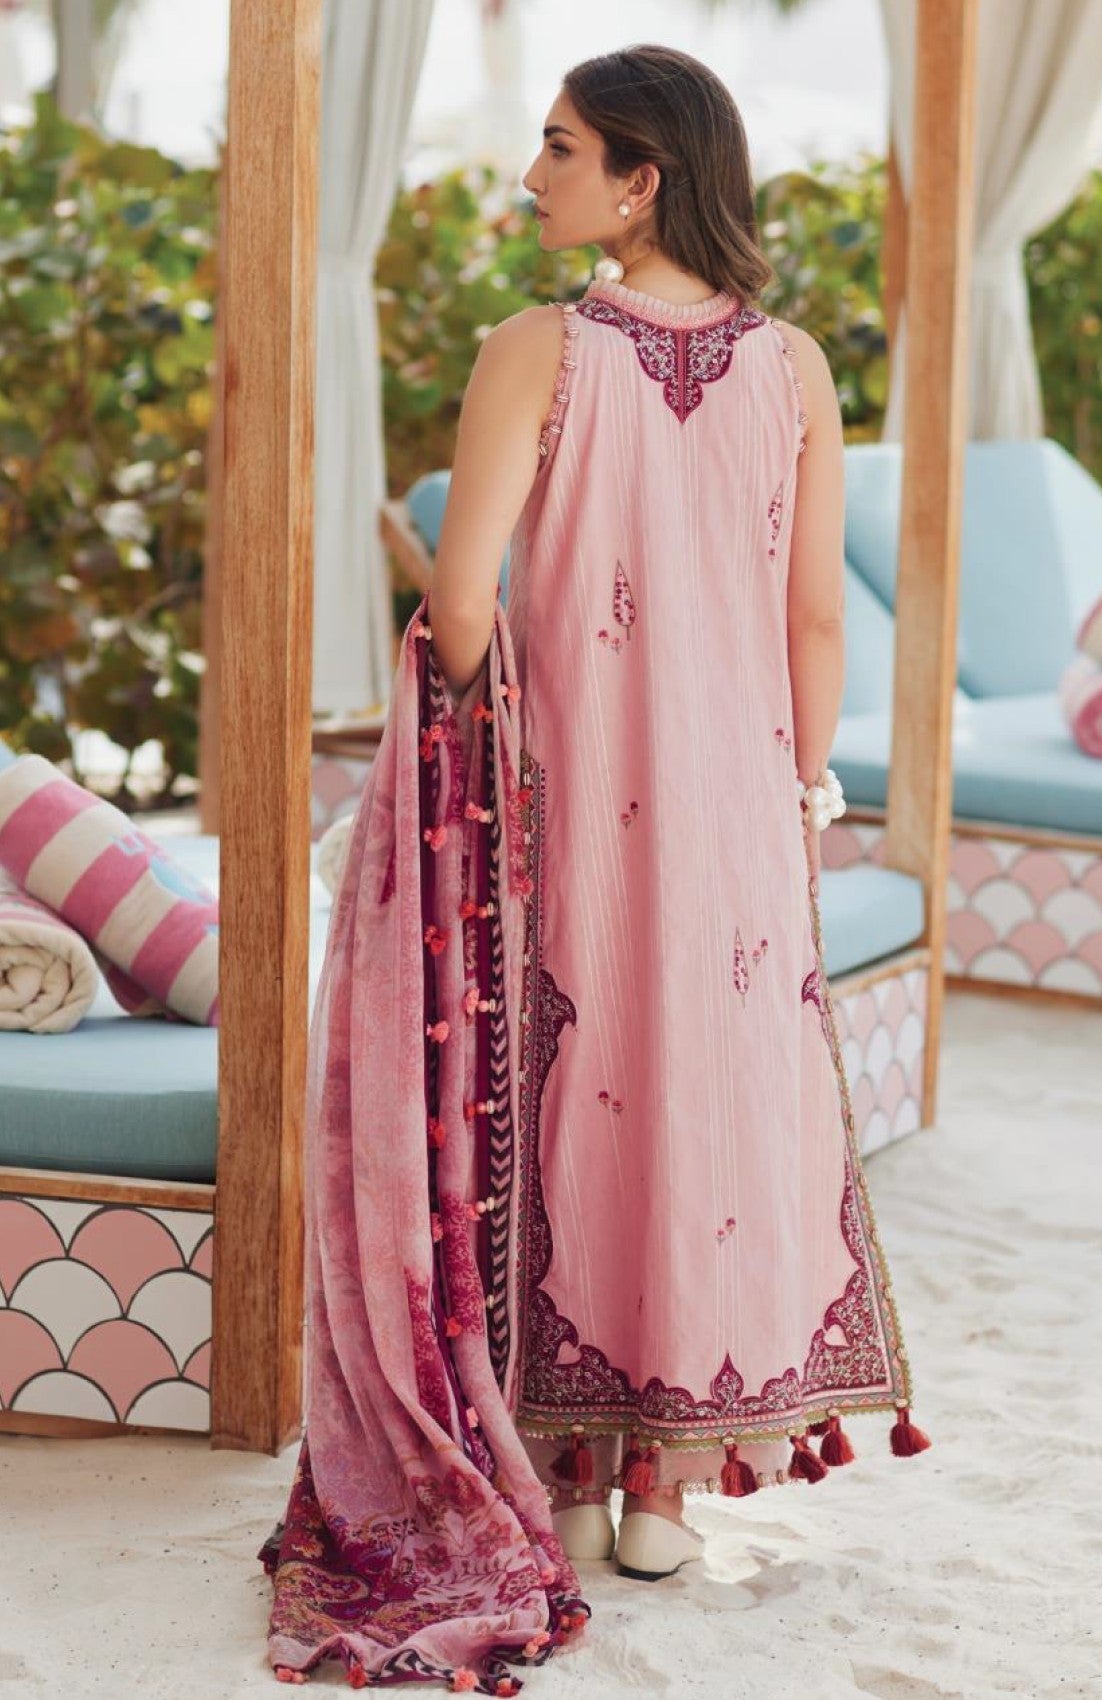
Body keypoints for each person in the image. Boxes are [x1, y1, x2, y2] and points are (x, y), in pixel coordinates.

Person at [259, 42, 928, 1691]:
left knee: (564, 1094)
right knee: (703, 1106)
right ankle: (660, 1491)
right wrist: (800, 789)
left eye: (558, 149)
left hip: (564, 802)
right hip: (746, 811)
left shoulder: (535, 349)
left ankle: (546, 1452)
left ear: (641, 180)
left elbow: (464, 603)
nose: (529, 175)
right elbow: (816, 618)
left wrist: (453, 726)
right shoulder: (797, 367)